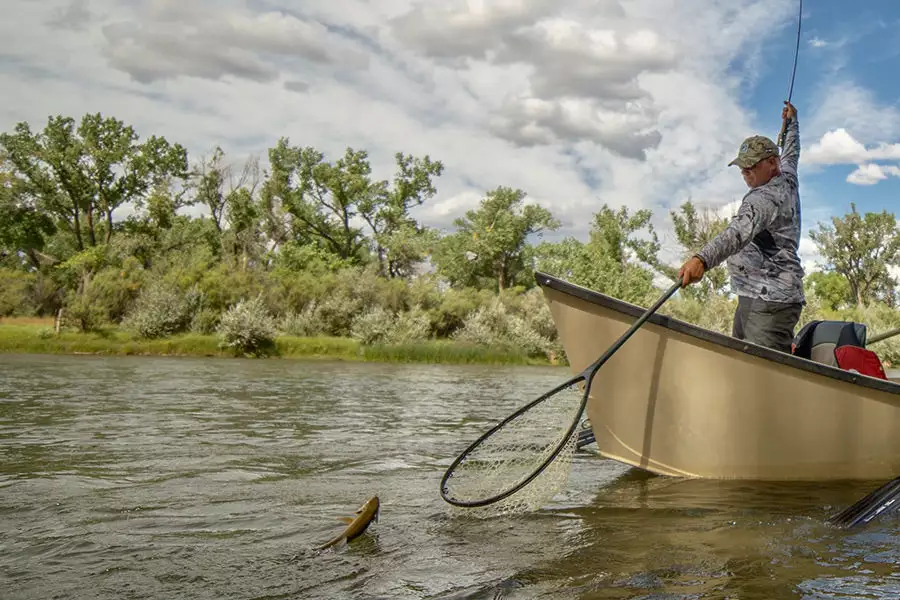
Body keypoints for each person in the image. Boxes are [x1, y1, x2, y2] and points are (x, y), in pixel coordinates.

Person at [677, 101, 804, 353]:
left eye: (752, 166)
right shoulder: (787, 175)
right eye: (742, 167)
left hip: (769, 301)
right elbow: (791, 154)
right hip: (756, 295)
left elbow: (737, 233)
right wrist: (792, 123)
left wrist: (702, 259)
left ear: (771, 163)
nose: (745, 172)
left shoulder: (764, 199)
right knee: (741, 364)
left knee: (761, 375)